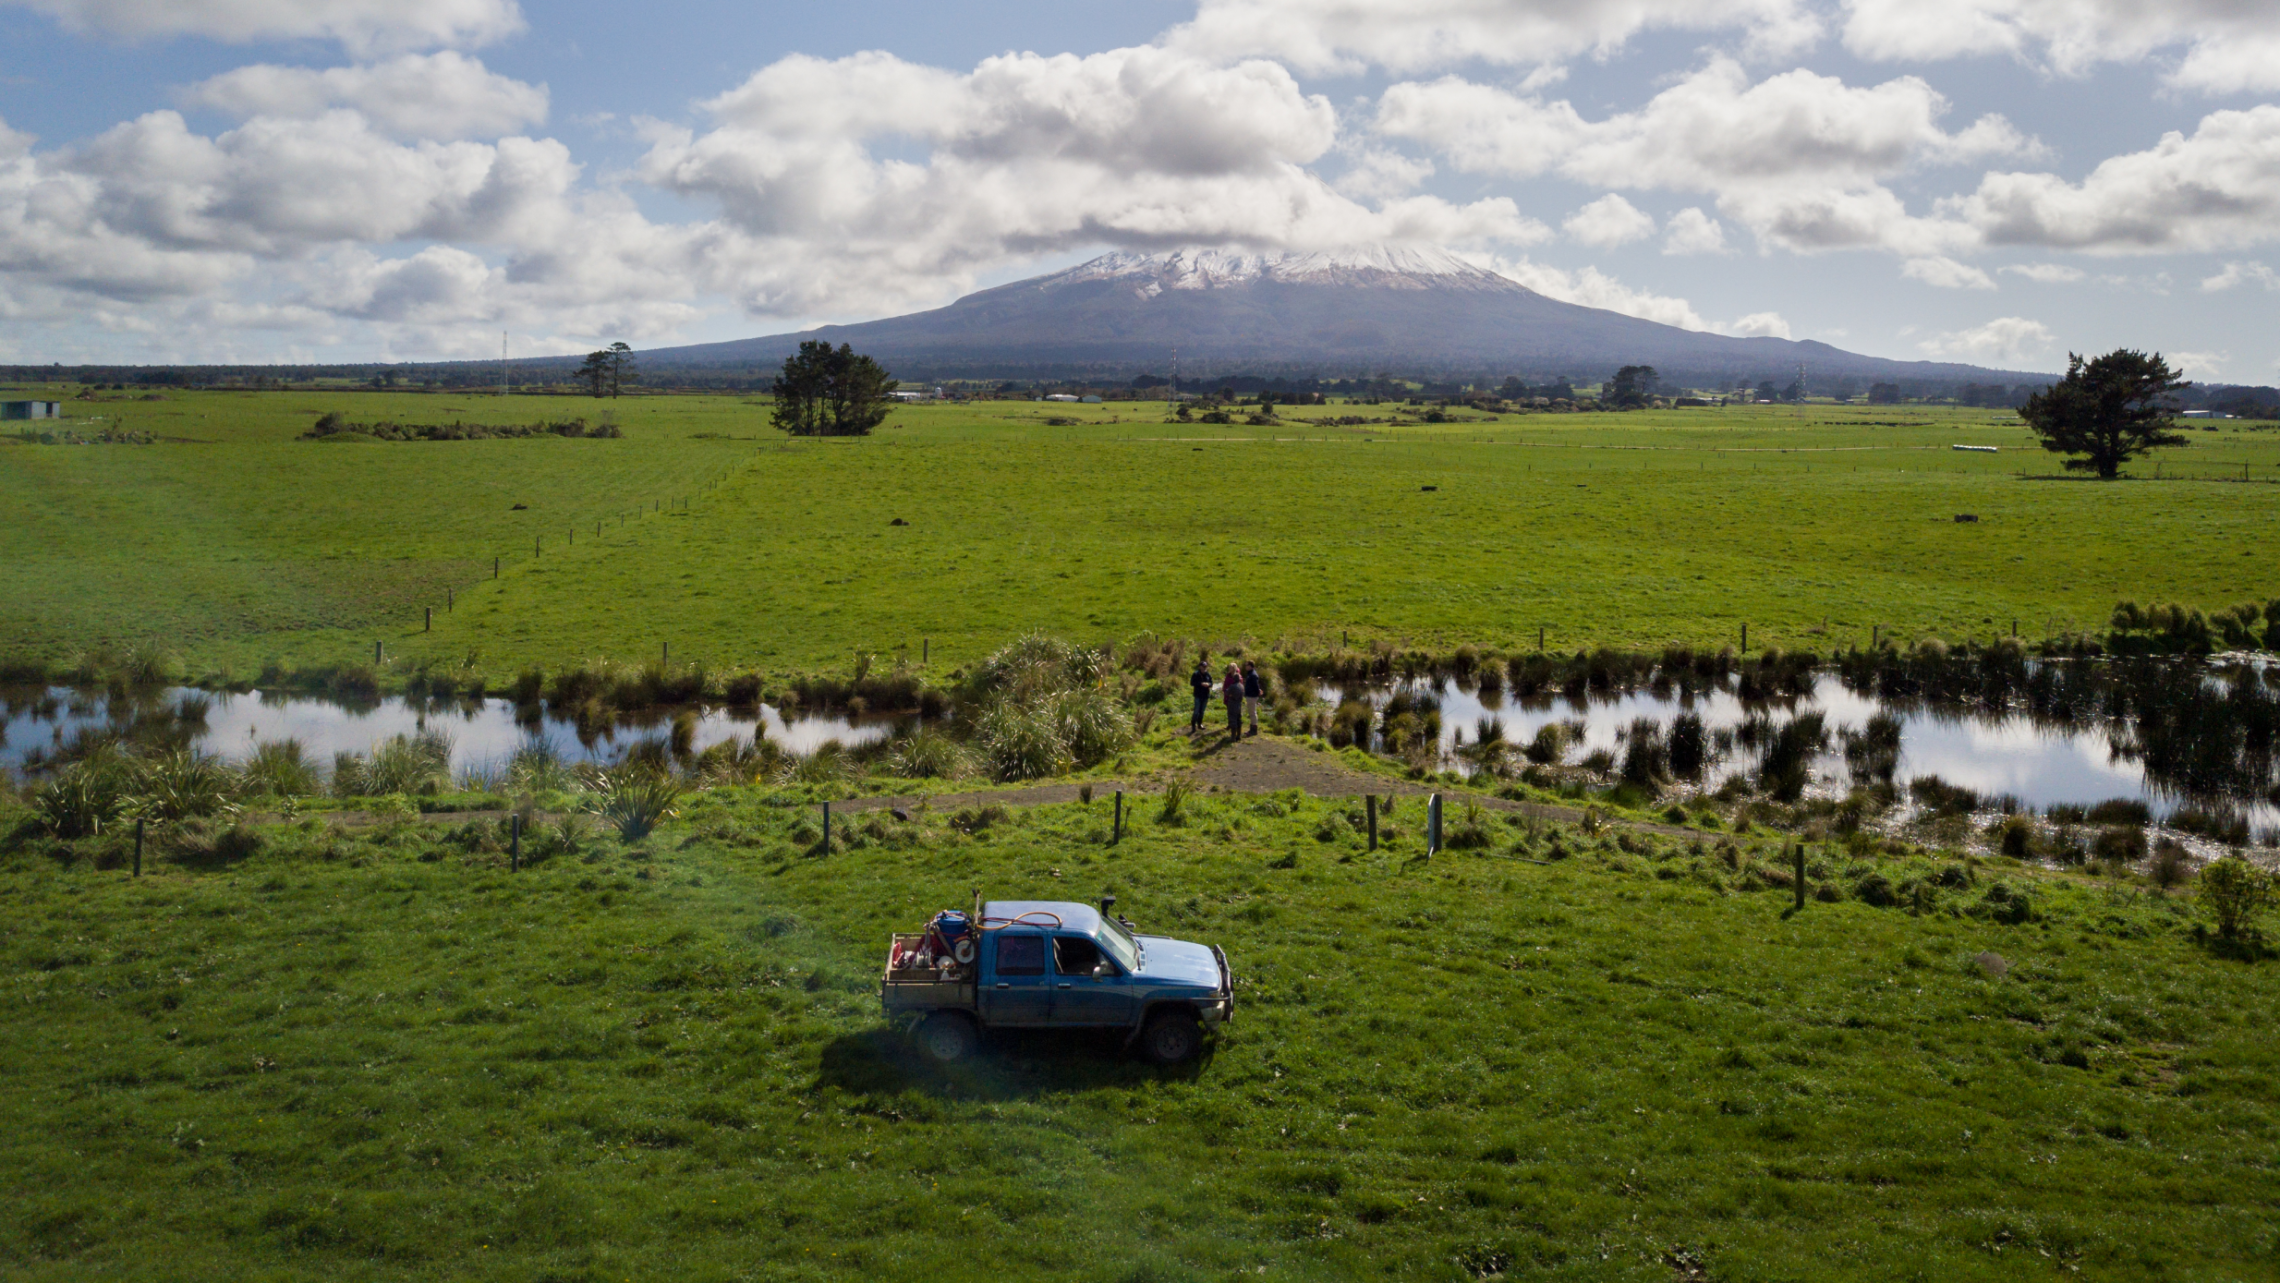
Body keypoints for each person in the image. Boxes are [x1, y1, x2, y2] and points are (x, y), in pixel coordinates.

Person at [1189, 656, 1213, 734]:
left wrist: (1208, 684)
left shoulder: (1208, 675)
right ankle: (1193, 726)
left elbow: (1211, 683)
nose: (1204, 668)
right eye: (1203, 666)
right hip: (1198, 695)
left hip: (1205, 695)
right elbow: (1192, 683)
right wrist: (1201, 684)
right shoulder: (1196, 674)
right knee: (1196, 711)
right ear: (1200, 667)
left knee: (1202, 711)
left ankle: (1199, 724)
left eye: (1205, 666)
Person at [1221, 663, 1243, 739]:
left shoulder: (1232, 686)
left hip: (1232, 703)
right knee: (1238, 719)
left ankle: (1233, 737)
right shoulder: (1241, 686)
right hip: (1239, 704)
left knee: (1233, 719)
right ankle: (1238, 735)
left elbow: (1227, 692)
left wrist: (1229, 693)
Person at [1241, 660, 1262, 737]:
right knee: (1251, 712)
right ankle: (1252, 728)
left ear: (1251, 666)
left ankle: (1253, 730)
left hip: (1252, 696)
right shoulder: (1250, 673)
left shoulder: (1253, 675)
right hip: (1250, 695)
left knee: (1252, 713)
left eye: (1247, 665)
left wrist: (1257, 692)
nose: (1246, 666)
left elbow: (1256, 686)